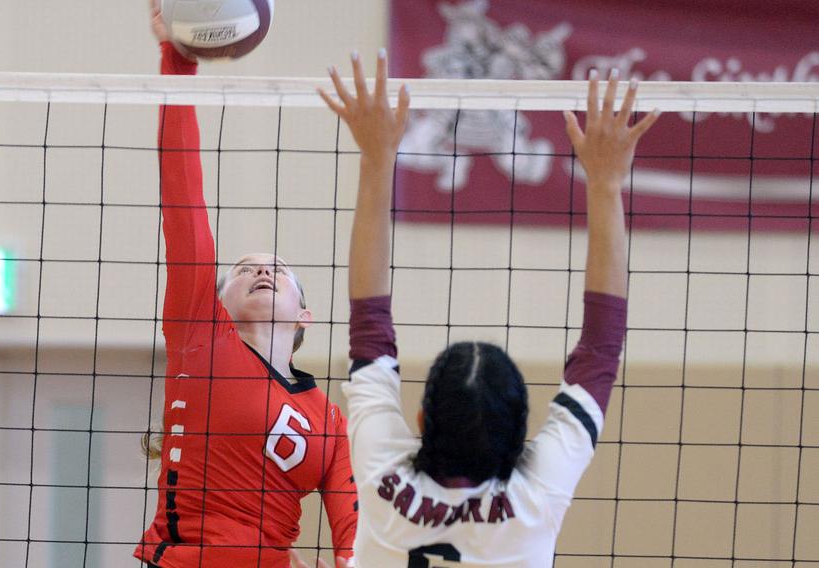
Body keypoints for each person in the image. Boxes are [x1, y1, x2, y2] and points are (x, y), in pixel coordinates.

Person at [319, 54, 658, 566]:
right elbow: (601, 351)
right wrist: (608, 185)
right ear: (520, 434)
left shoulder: (380, 471)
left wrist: (376, 158)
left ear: (421, 417)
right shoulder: (534, 497)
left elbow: (369, 323)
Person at [134, 4, 357, 567]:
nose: (261, 271)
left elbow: (352, 531)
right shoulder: (201, 338)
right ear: (219, 300)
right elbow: (182, 198)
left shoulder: (329, 418)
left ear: (305, 316)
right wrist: (175, 62)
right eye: (242, 269)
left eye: (279, 270)